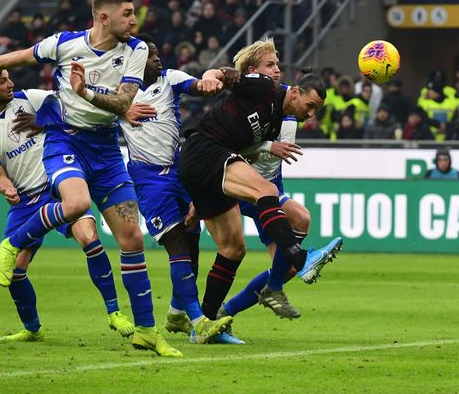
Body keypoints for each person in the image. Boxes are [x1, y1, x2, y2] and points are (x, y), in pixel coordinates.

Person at [0, 0, 180, 357]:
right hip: (66, 143)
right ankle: (11, 244)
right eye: (128, 14)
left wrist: (84, 91)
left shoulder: (135, 50)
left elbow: (122, 102)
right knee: (77, 203)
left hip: (105, 149)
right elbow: (20, 57)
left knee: (133, 237)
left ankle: (147, 331)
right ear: (103, 17)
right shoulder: (65, 43)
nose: (135, 21)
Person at [0, 67, 133, 342]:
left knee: (90, 239)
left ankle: (114, 312)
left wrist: (43, 119)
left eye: (9, 77)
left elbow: (68, 105)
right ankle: (32, 329)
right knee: (15, 271)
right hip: (26, 201)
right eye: (2, 81)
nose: (10, 83)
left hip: (58, 187)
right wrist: (6, 188)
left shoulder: (29, 98)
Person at [178, 66, 343, 324]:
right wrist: (210, 77)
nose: (310, 115)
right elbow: (226, 74)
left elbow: (247, 149)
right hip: (204, 149)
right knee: (267, 191)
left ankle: (205, 323)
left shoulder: (277, 122)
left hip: (211, 165)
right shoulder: (266, 88)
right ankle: (297, 255)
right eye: (309, 106)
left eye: (316, 111)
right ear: (296, 92)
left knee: (233, 250)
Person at [119, 35, 234, 344]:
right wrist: (119, 111)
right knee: (177, 246)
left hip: (181, 174)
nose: (159, 59)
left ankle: (175, 316)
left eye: (158, 53)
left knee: (193, 245)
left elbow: (196, 85)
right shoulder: (118, 94)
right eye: (151, 56)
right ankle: (199, 321)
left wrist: (210, 82)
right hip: (150, 181)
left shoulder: (169, 79)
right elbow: (88, 109)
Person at [221, 39, 342, 323]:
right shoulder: (244, 104)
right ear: (252, 71)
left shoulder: (288, 102)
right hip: (246, 188)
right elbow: (228, 146)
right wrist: (266, 148)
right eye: (270, 65)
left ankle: (222, 313)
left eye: (278, 64)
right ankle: (282, 280)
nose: (278, 70)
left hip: (270, 185)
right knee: (300, 218)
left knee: (284, 267)